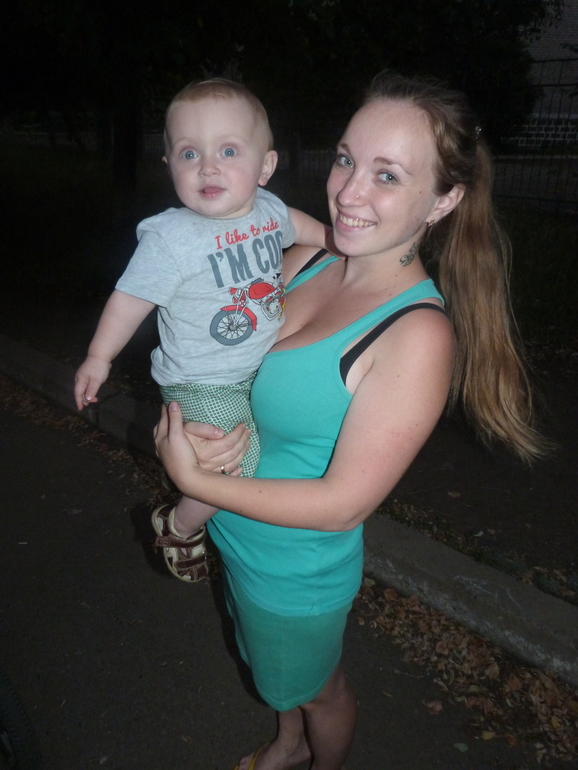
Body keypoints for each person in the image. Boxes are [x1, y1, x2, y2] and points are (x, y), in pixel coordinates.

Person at [155, 70, 547, 770]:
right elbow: (207, 348)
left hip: (291, 570)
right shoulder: (309, 260)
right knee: (275, 680)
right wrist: (186, 422)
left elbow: (343, 506)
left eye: (387, 175)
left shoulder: (416, 336)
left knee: (318, 690)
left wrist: (194, 482)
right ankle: (286, 745)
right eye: (346, 159)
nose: (348, 191)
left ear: (445, 199)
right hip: (235, 532)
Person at [74, 79, 328, 582]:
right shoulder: (171, 237)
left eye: (228, 151)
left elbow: (302, 228)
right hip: (201, 380)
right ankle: (180, 525)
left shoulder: (269, 210)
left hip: (253, 367)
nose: (207, 167)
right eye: (189, 153)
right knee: (238, 461)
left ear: (265, 167)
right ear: (169, 164)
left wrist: (340, 243)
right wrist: (99, 357)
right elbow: (130, 300)